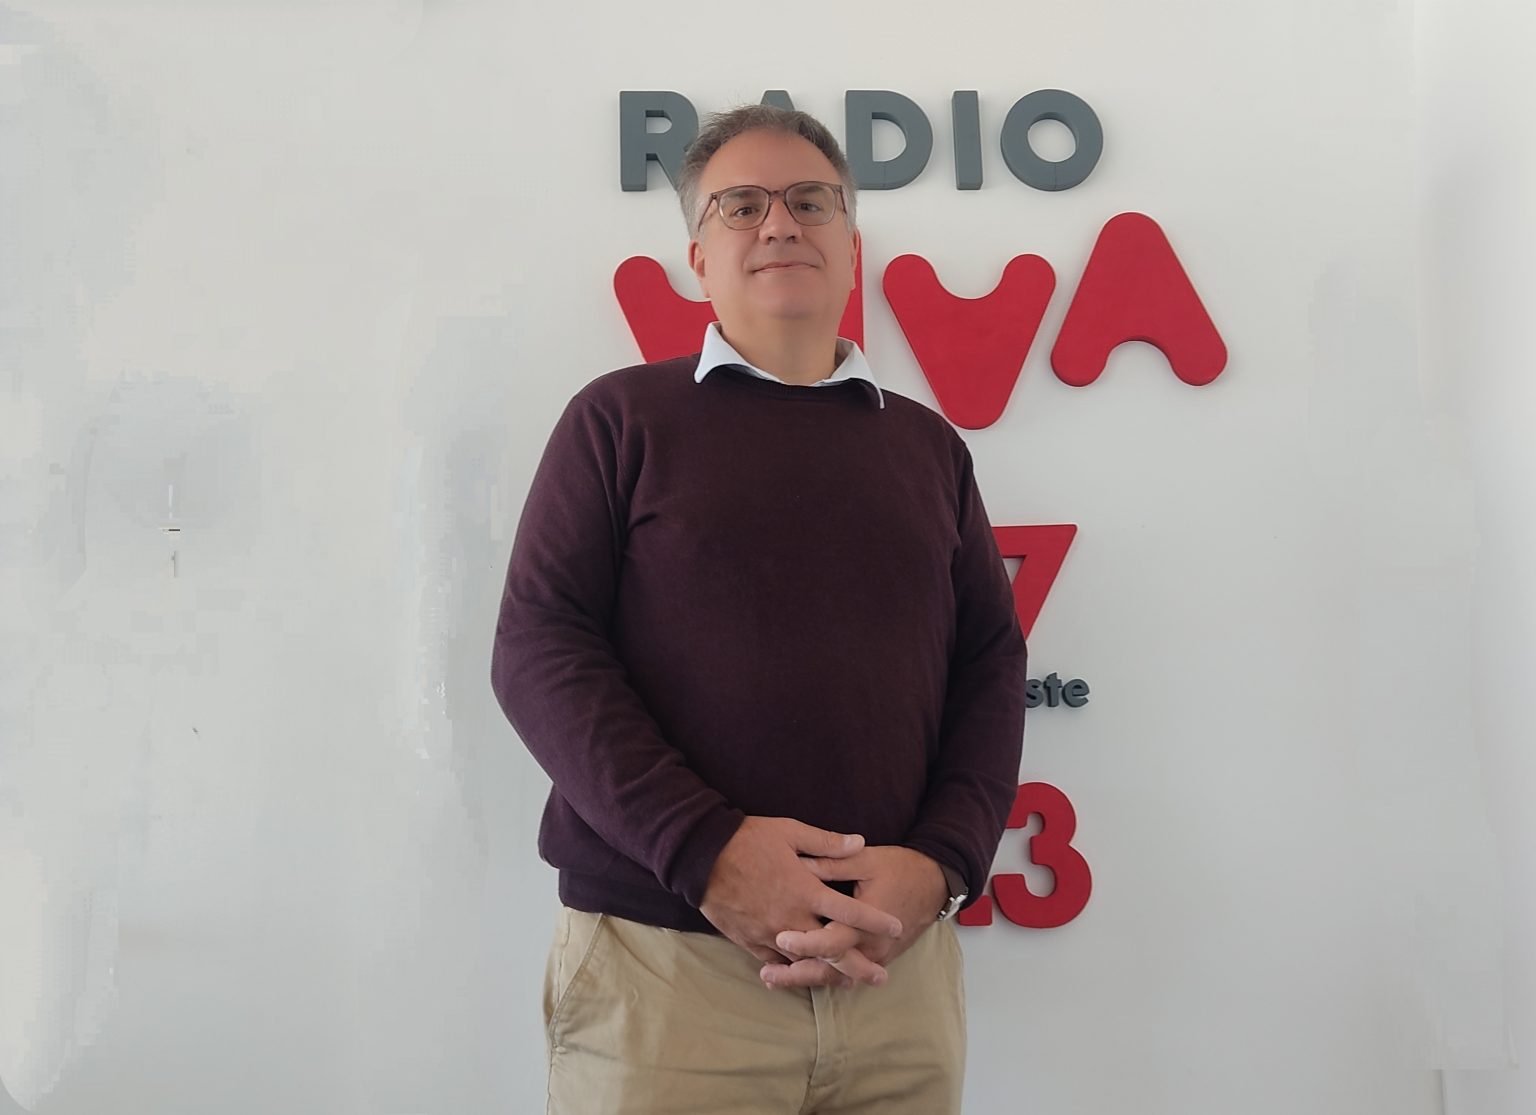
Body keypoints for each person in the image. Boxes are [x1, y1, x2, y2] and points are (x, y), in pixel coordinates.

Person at [490, 103, 1027, 1114]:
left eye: (810, 201)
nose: (780, 223)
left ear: (852, 244)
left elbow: (990, 663)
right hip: (667, 969)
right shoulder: (618, 420)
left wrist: (944, 864)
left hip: (896, 976)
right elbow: (538, 649)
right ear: (700, 256)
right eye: (742, 204)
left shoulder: (928, 448)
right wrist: (706, 852)